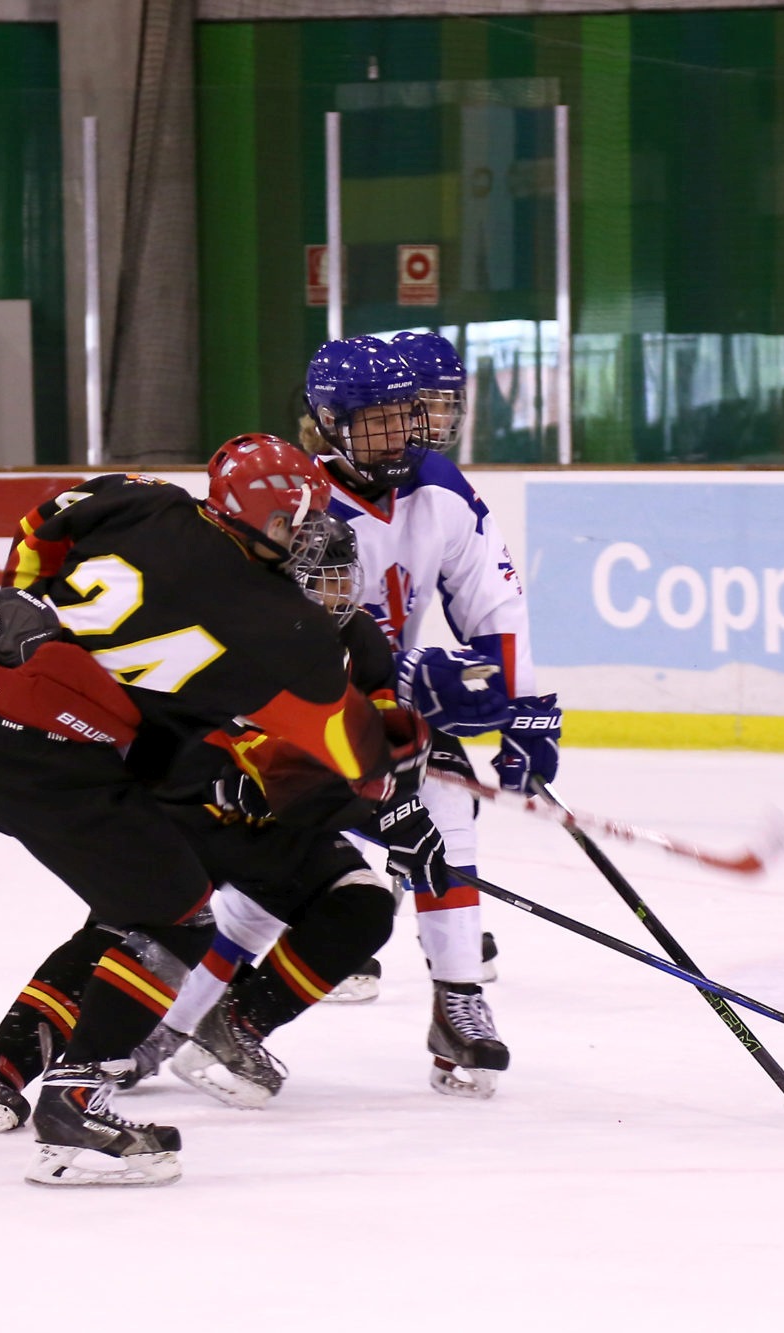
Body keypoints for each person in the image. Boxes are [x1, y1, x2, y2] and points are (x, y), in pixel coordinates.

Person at [0, 436, 435, 1186]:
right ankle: (76, 1107)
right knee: (174, 917)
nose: (306, 535)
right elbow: (352, 759)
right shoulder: (281, 625)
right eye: (298, 521)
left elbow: (47, 518)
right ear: (269, 517)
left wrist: (31, 597)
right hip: (50, 754)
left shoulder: (145, 499)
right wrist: (402, 793)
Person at [300, 331, 561, 1098]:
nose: (408, 430)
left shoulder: (439, 488)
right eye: (381, 417)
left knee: (446, 786)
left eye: (411, 412)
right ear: (330, 422)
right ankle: (173, 1017)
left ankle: (459, 1001)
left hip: (380, 709)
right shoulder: (299, 496)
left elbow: (498, 605)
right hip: (280, 710)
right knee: (244, 888)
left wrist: (528, 708)